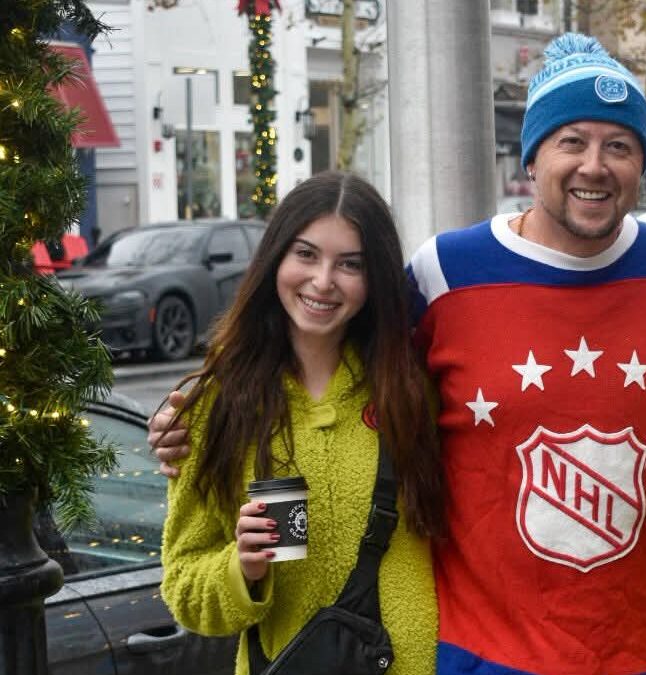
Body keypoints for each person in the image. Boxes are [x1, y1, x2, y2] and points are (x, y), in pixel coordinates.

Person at [151, 35, 646, 675]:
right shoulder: (443, 272)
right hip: (474, 650)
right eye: (571, 139)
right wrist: (206, 401)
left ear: (642, 164)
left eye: (619, 145)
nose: (594, 165)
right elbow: (335, 351)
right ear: (531, 156)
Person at [159, 171, 443, 675]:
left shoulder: (411, 387)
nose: (323, 281)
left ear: (374, 277)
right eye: (306, 254)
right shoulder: (214, 406)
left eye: (349, 264)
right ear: (275, 259)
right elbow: (184, 585)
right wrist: (241, 569)